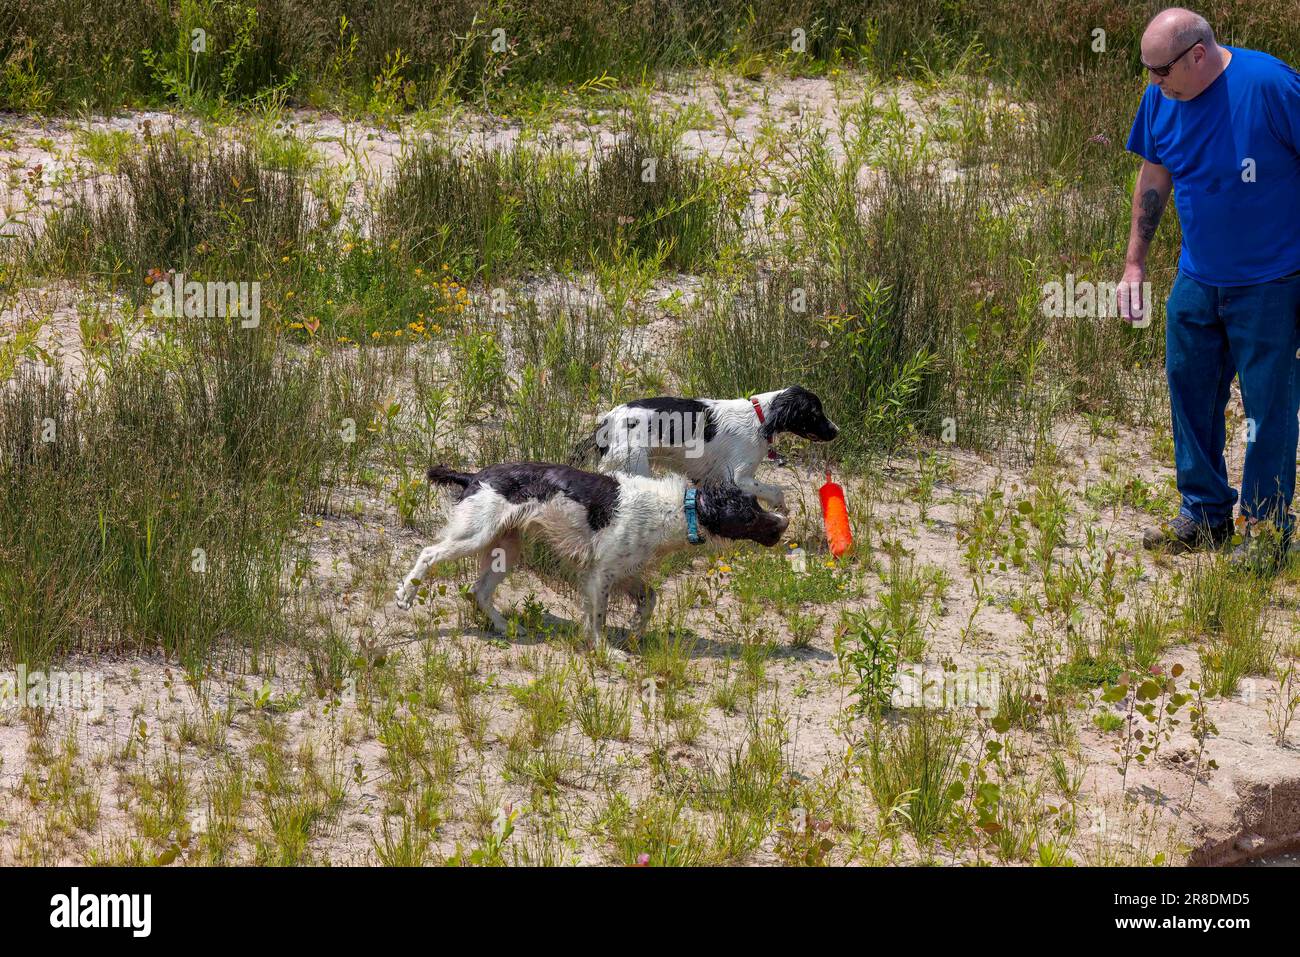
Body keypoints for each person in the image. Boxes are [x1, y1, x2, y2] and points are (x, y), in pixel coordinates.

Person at [1118, 7, 1300, 572]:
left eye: (1161, 70)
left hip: (1272, 281)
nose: (1153, 83)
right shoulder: (1162, 98)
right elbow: (1154, 176)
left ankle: (1266, 530)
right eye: (1146, 71)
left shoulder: (1270, 86)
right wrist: (1134, 265)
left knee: (1269, 406)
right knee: (1189, 389)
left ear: (1198, 54)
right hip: (1198, 279)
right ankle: (1205, 514)